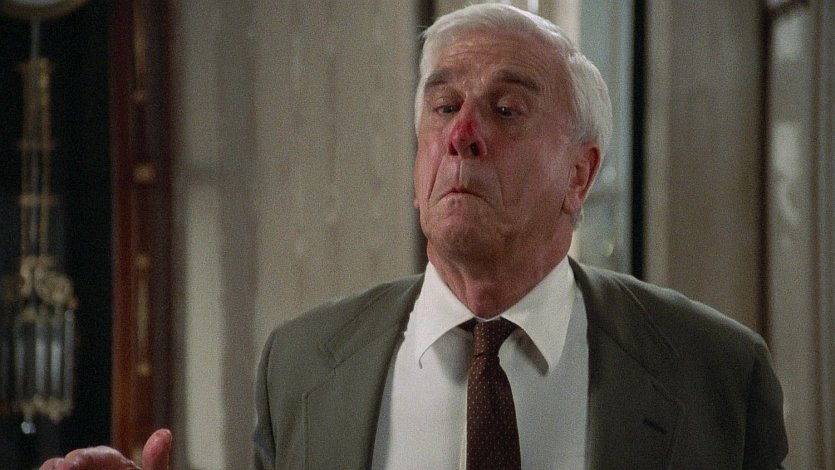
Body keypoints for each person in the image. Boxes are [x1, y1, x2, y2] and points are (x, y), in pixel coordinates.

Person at [41, 4, 787, 469]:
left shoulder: (715, 369)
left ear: (579, 175)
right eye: (444, 108)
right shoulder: (301, 365)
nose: (462, 134)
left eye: (505, 110)